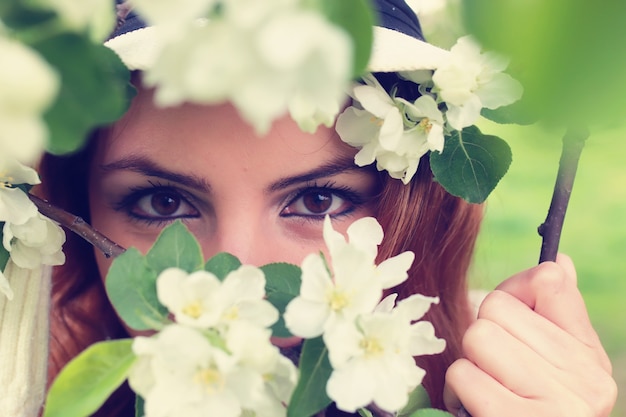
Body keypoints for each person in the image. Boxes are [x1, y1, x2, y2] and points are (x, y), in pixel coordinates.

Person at [35, 0, 616, 416]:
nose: (243, 283)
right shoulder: (25, 389)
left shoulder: (480, 387)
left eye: (317, 199)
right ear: (74, 206)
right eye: (162, 202)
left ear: (410, 207)